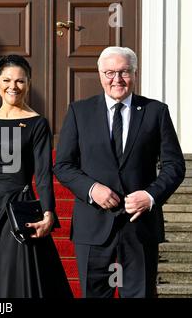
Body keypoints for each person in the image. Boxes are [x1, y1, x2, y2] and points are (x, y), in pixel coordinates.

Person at [54, 46, 186, 298]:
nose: (117, 79)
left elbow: (174, 166)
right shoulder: (79, 112)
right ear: (100, 74)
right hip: (93, 226)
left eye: (124, 72)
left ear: (134, 74)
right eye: (110, 72)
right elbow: (63, 165)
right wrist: (92, 189)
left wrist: (149, 197)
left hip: (139, 227)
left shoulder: (156, 112)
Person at [0, 55, 73, 298]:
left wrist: (48, 213)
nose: (14, 86)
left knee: (15, 283)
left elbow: (43, 173)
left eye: (20, 81)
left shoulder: (37, 124)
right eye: (7, 80)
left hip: (15, 211)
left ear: (28, 83)